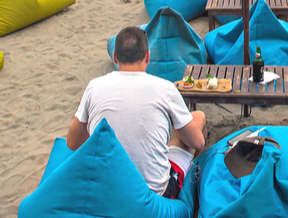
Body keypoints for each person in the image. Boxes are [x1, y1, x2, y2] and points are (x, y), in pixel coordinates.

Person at [66, 26, 206, 197]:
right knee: (198, 119)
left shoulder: (93, 87)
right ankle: (191, 191)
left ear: (115, 57)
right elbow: (197, 142)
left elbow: (72, 142)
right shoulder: (166, 88)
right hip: (155, 195)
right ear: (148, 56)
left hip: (105, 191)